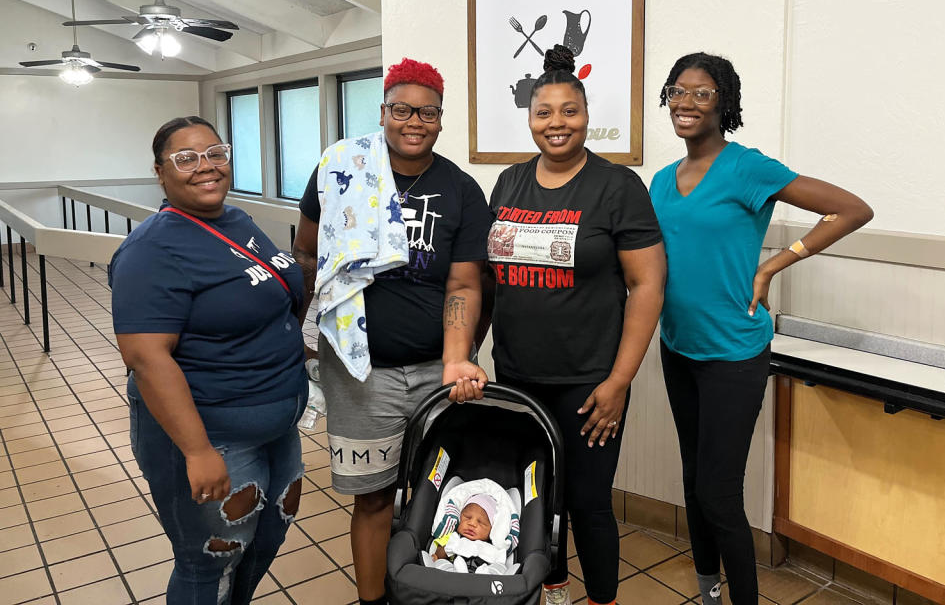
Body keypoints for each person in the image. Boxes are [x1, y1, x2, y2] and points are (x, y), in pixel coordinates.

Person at [649, 52, 874, 605]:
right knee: (693, 480)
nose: (686, 103)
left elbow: (851, 210)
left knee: (719, 493)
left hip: (733, 355)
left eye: (702, 93)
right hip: (677, 347)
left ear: (723, 103)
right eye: (678, 91)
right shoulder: (661, 180)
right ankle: (708, 591)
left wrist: (774, 264)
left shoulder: (747, 168)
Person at [293, 58, 492, 605]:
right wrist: (300, 330)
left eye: (428, 113)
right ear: (382, 112)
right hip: (360, 373)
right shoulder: (340, 168)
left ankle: (434, 588)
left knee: (439, 493)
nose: (414, 122)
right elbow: (306, 252)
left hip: (435, 371)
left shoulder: (460, 189)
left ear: (441, 120)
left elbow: (464, 283)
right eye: (402, 109)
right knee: (374, 499)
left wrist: (456, 359)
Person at [487, 46, 666, 605]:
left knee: (587, 502)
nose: (556, 123)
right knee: (535, 497)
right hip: (517, 375)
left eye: (570, 111)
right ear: (529, 118)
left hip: (590, 381)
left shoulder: (617, 186)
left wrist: (619, 382)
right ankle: (553, 588)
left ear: (587, 116)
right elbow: (487, 278)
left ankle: (602, 599)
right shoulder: (509, 183)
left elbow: (647, 286)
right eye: (544, 112)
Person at [110, 116, 308, 603]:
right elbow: (146, 357)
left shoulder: (237, 221)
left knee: (266, 537)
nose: (206, 166)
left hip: (276, 423)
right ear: (161, 172)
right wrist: (197, 451)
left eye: (215, 153)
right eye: (186, 158)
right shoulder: (151, 249)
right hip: (210, 432)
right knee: (209, 561)